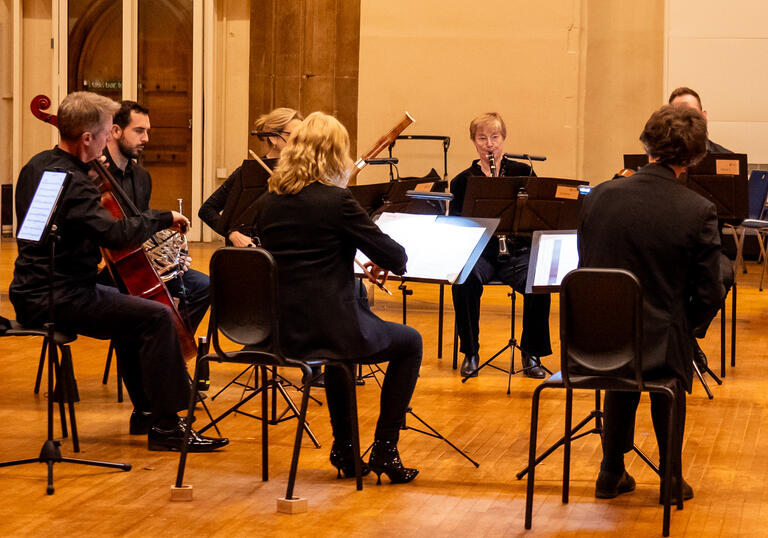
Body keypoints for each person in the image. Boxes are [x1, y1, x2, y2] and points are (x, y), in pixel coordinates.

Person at [9, 91, 228, 452]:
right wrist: (162, 218)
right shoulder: (75, 181)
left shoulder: (38, 165)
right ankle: (168, 427)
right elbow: (113, 232)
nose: (109, 137)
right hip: (61, 295)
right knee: (156, 317)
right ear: (87, 139)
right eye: (106, 131)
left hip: (33, 287)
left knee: (132, 311)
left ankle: (146, 411)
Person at [252, 112, 422, 484]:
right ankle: (385, 449)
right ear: (333, 155)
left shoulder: (269, 203)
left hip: (282, 330)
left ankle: (346, 449)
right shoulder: (336, 201)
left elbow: (305, 256)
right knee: (410, 342)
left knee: (337, 355)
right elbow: (396, 257)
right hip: (332, 327)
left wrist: (349, 251)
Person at [578, 104, 723, 501]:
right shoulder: (697, 210)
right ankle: (671, 480)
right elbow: (711, 290)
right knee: (667, 350)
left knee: (625, 343)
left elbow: (586, 265)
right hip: (660, 345)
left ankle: (610, 472)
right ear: (694, 157)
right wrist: (686, 326)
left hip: (593, 344)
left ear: (647, 146)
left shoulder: (599, 197)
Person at [449, 112, 550, 379]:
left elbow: (537, 214)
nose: (489, 144)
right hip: (482, 254)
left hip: (516, 250)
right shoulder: (462, 181)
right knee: (464, 279)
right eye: (482, 138)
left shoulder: (523, 172)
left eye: (495, 137)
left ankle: (531, 352)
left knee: (537, 281)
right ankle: (470, 352)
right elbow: (456, 224)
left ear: (503, 139)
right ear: (474, 142)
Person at [104, 100, 210, 336]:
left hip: (140, 265)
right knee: (146, 307)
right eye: (139, 131)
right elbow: (114, 230)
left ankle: (171, 348)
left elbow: (144, 228)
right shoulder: (95, 175)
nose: (146, 139)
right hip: (109, 270)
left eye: (147, 132)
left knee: (204, 287)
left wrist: (174, 259)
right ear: (115, 131)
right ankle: (160, 354)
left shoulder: (141, 176)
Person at [668, 87, 735, 371]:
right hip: (665, 245)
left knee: (722, 275)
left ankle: (687, 336)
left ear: (703, 117)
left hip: (707, 247)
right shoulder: (657, 159)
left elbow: (739, 218)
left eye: (691, 115)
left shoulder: (725, 159)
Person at [199, 107, 303, 247]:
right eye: (295, 136)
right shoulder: (248, 173)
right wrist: (231, 233)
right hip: (253, 253)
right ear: (273, 138)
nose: (301, 142)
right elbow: (207, 209)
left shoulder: (304, 173)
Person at [668, 87, 731, 153]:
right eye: (678, 113)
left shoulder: (727, 159)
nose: (684, 119)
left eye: (691, 111)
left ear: (703, 116)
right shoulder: (659, 158)